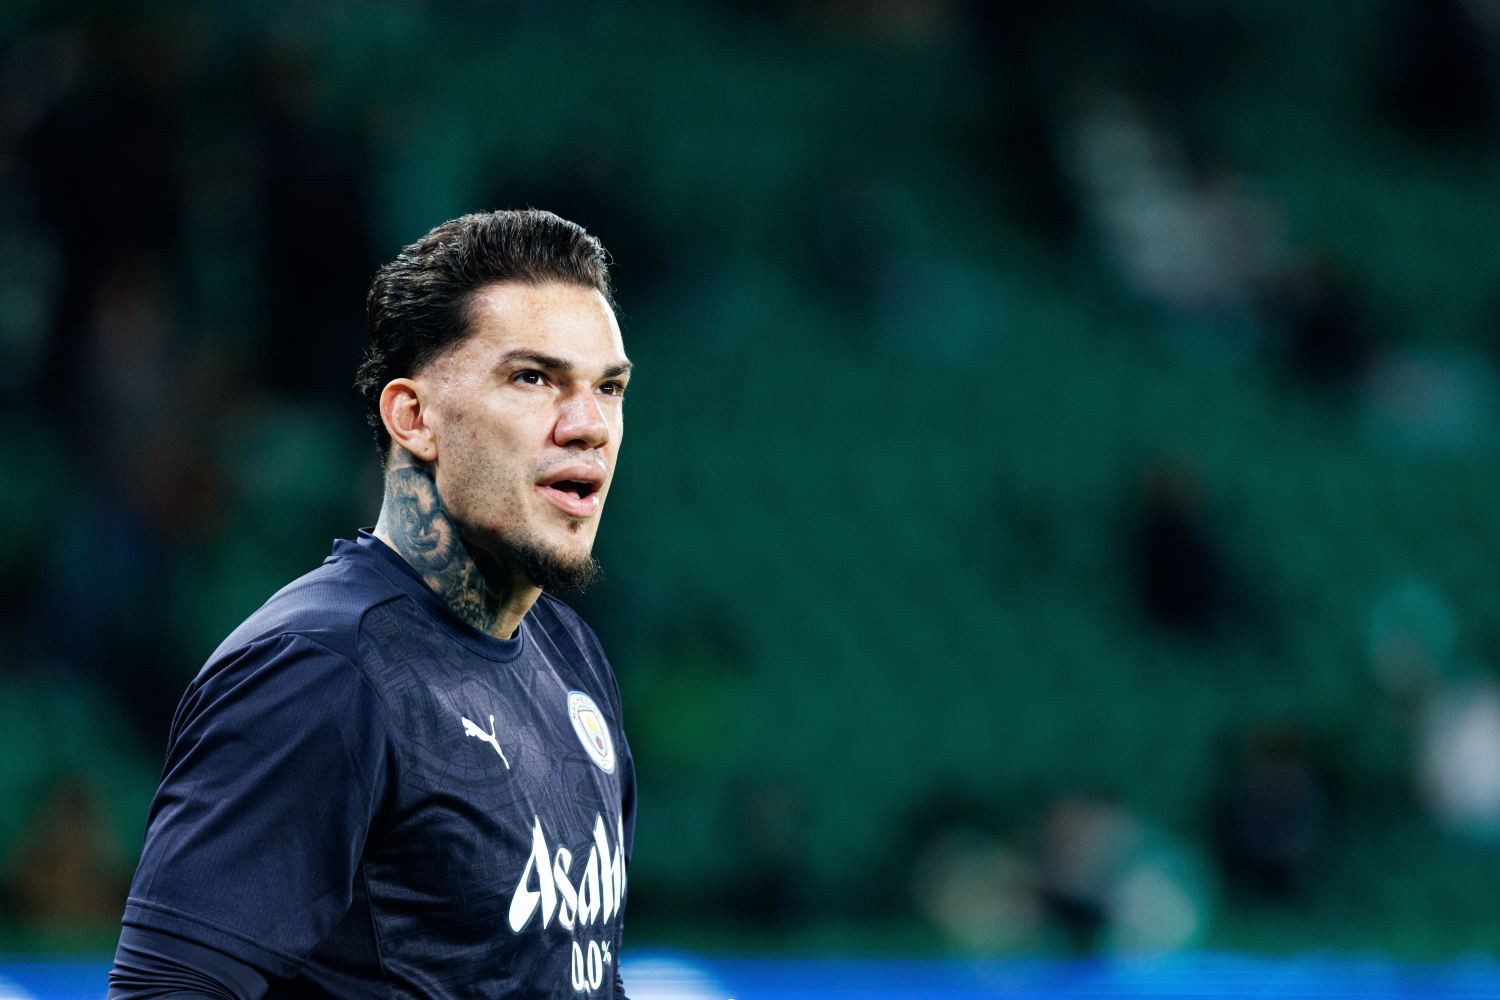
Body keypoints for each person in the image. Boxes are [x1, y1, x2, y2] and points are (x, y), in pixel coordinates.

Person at [108, 209, 636, 999]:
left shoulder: (572, 658)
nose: (589, 425)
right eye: (533, 378)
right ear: (413, 418)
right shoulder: (321, 672)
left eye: (608, 388)